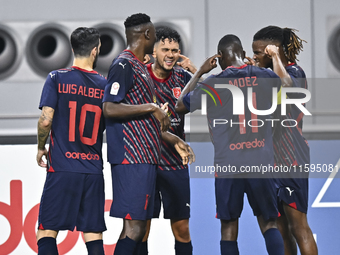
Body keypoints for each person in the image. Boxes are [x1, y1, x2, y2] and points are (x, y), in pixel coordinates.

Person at [176, 34, 285, 255]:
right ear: (244, 55)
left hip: (229, 164)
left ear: (220, 57)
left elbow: (179, 106)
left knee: (228, 227)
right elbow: (283, 99)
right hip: (261, 161)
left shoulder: (213, 82)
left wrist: (199, 72)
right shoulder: (266, 76)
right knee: (269, 224)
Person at [102, 13, 190, 255]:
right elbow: (109, 107)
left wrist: (173, 138)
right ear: (149, 35)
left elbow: (147, 119)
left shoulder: (138, 67)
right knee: (134, 228)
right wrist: (152, 107)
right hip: (131, 157)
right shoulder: (123, 64)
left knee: (137, 227)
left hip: (145, 157)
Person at [36, 27, 106, 255]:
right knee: (93, 234)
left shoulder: (57, 78)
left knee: (47, 233)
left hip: (63, 167)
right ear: (96, 50)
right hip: (93, 169)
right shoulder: (105, 86)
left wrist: (40, 148)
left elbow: (45, 121)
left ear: (73, 48)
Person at [252, 25, 318, 255]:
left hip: (292, 157)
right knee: (281, 229)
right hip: (269, 160)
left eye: (260, 52)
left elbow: (287, 87)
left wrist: (276, 58)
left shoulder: (294, 72)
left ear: (274, 51)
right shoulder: (268, 76)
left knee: (299, 227)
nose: (255, 56)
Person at [137, 27, 196, 255]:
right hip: (146, 163)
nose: (170, 55)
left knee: (182, 231)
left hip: (174, 165)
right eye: (165, 49)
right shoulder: (140, 76)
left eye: (175, 50)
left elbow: (217, 97)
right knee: (141, 230)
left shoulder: (183, 78)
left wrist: (195, 70)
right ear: (153, 51)